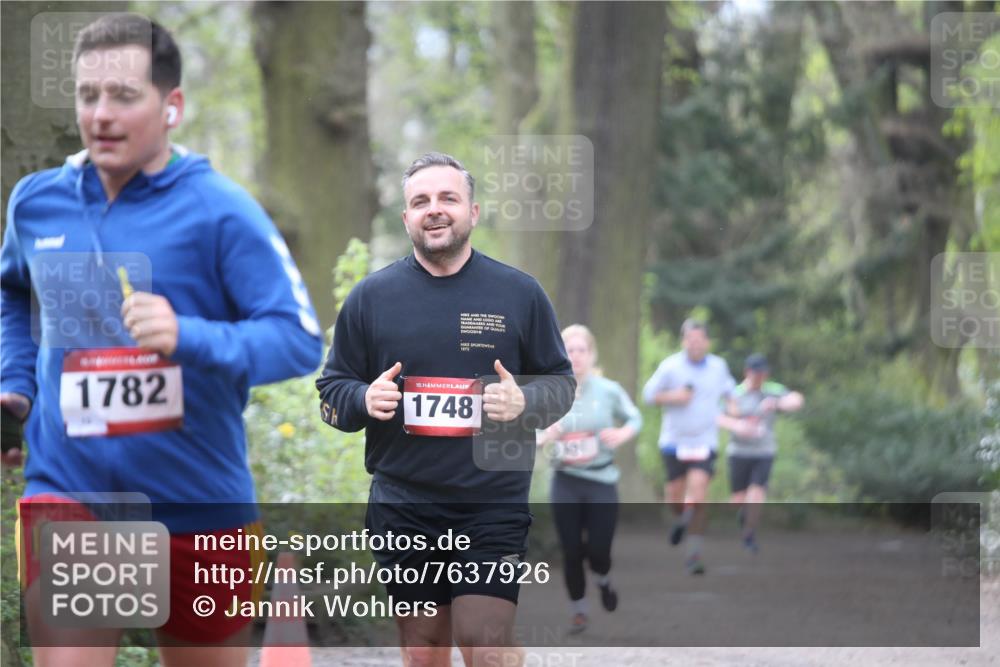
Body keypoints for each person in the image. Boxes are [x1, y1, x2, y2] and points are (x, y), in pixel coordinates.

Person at [0, 14, 323, 666]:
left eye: (124, 95)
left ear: (171, 105)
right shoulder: (37, 204)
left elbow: (298, 338)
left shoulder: (220, 209)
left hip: (203, 507)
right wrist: (16, 383)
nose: (101, 114)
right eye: (89, 95)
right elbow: (12, 291)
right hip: (74, 492)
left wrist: (189, 335)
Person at [316, 152, 574, 667]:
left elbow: (561, 384)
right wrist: (363, 400)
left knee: (485, 643)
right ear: (407, 217)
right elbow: (331, 392)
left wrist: (525, 400)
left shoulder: (519, 294)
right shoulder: (370, 299)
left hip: (491, 503)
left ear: (473, 212)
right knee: (424, 651)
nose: (435, 210)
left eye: (448, 199)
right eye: (421, 201)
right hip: (404, 503)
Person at [536, 324, 641, 635]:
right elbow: (533, 432)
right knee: (571, 550)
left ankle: (603, 579)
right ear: (562, 354)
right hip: (566, 480)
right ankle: (578, 611)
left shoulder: (608, 390)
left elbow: (635, 417)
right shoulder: (551, 390)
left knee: (598, 550)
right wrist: (546, 435)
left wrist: (621, 433)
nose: (576, 356)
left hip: (601, 480)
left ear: (591, 354)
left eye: (582, 350)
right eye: (570, 350)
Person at [641, 319, 735, 575]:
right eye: (690, 340)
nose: (695, 344)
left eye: (699, 339)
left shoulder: (718, 366)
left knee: (699, 493)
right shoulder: (670, 366)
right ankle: (681, 518)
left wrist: (734, 409)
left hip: (705, 441)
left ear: (707, 341)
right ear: (683, 341)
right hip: (674, 443)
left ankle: (694, 553)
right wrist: (675, 396)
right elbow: (648, 395)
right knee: (675, 495)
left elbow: (730, 394)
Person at [718, 354, 804, 553]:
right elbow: (717, 416)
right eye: (756, 373)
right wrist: (738, 426)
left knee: (757, 493)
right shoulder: (734, 394)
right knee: (738, 499)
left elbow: (797, 400)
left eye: (763, 374)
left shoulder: (772, 390)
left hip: (764, 451)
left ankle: (749, 534)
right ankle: (742, 518)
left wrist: (777, 404)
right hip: (739, 451)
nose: (760, 378)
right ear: (747, 373)